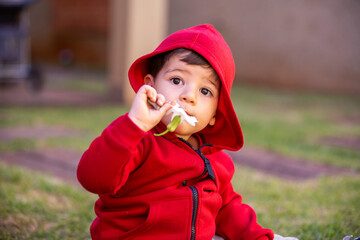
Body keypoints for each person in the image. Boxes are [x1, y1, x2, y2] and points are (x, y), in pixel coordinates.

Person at [77, 24, 274, 240]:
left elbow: (227, 209)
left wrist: (257, 237)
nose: (189, 96)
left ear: (215, 114)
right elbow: (92, 178)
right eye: (177, 80)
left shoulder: (216, 161)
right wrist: (135, 124)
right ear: (150, 87)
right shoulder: (137, 138)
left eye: (205, 91)